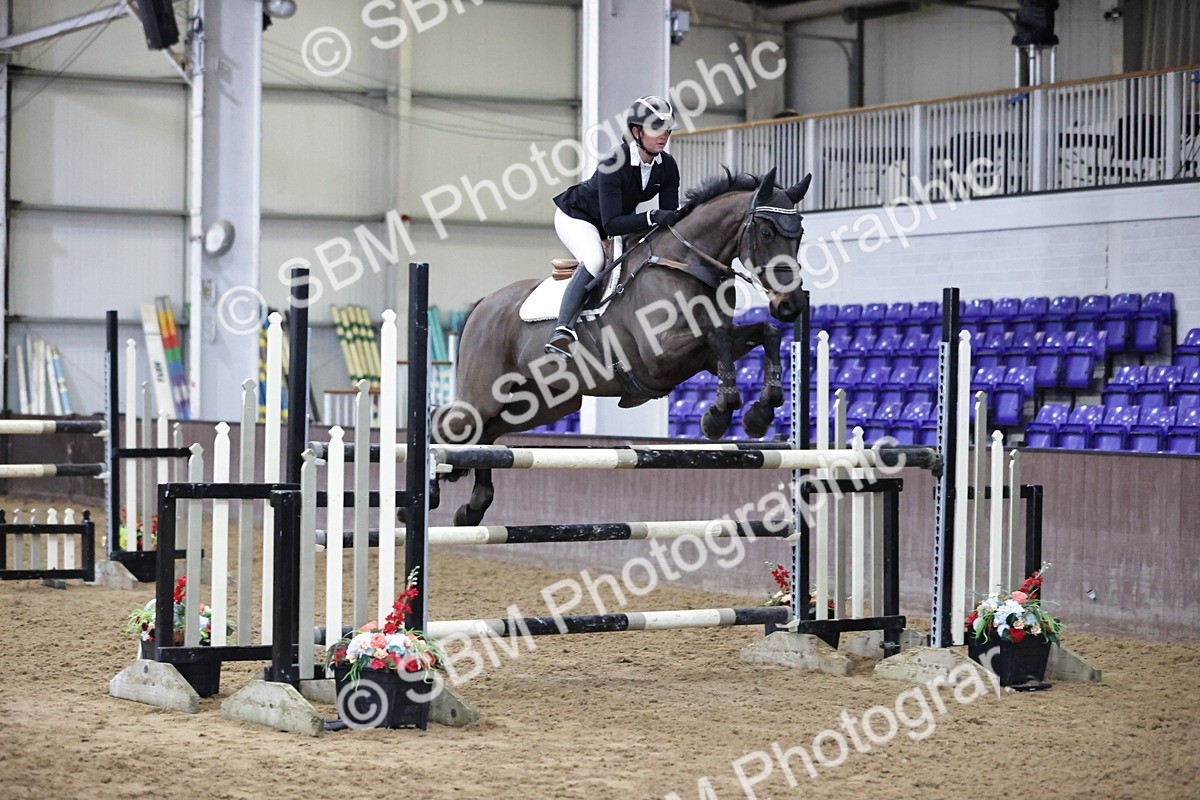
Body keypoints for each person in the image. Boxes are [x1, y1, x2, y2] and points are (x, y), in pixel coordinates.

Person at [545, 95, 683, 360]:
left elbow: (668, 217)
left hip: (620, 221)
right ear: (636, 132)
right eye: (656, 129)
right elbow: (612, 224)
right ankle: (561, 331)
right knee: (595, 259)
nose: (663, 136)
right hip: (578, 217)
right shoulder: (613, 164)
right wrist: (652, 216)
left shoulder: (667, 167)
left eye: (666, 129)